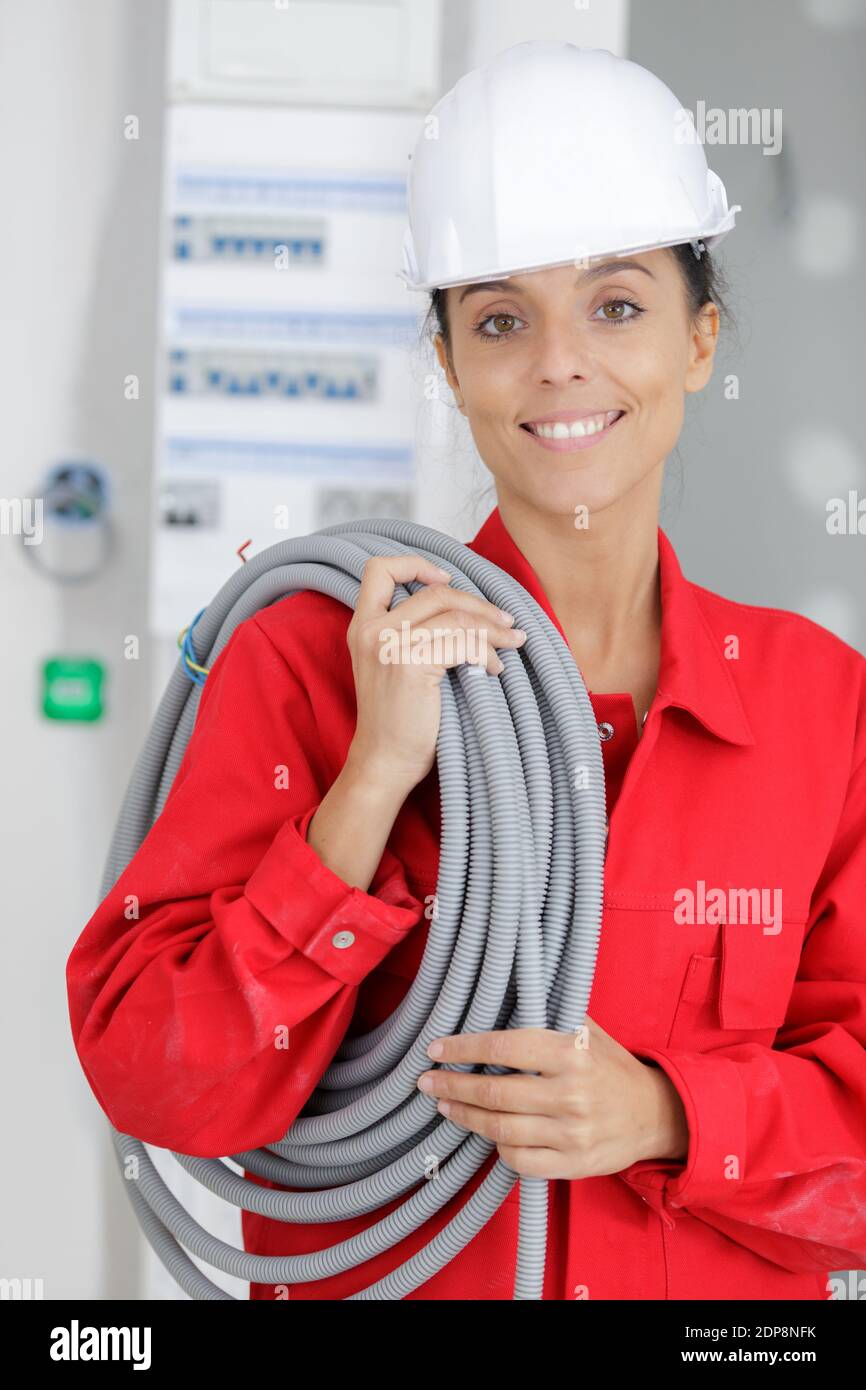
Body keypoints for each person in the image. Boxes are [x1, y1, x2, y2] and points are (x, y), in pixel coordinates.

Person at [66, 41, 866, 1300]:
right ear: (445, 362)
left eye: (615, 305)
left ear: (698, 340)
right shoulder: (305, 660)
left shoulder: (819, 705)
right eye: (499, 318)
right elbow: (161, 1079)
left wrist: (667, 1114)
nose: (558, 362)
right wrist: (369, 785)